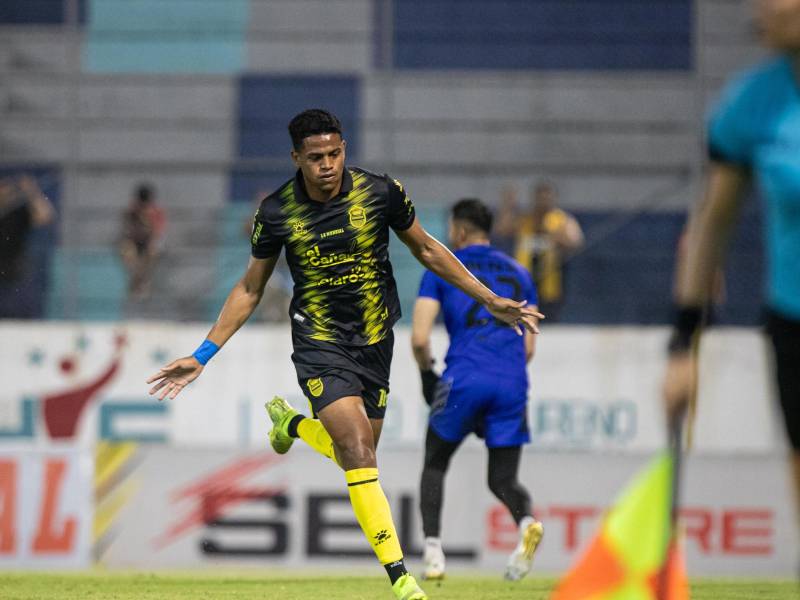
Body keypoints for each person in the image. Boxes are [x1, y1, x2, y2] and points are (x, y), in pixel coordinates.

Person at [146, 109, 541, 600]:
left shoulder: (380, 192)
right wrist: (204, 353)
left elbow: (427, 250)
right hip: (318, 343)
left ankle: (290, 425)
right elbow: (251, 287)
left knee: (355, 453)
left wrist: (488, 298)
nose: (327, 165)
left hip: (376, 341)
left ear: (344, 149)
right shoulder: (276, 212)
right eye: (316, 158)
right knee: (357, 449)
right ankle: (401, 579)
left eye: (335, 153)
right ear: (296, 158)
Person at [663, 0, 800, 570]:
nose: (759, 8)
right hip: (793, 323)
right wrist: (683, 345)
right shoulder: (752, 103)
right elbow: (712, 226)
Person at [411, 198, 543, 582]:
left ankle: (434, 554)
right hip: (513, 382)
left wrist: (426, 376)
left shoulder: (440, 267)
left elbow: (420, 339)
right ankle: (527, 523)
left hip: (465, 379)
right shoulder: (520, 273)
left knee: (435, 463)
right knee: (502, 479)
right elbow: (530, 345)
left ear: (460, 231)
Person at [514, 180, 583, 321]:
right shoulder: (524, 219)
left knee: (548, 318)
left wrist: (555, 235)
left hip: (551, 282)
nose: (543, 202)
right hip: (524, 280)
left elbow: (576, 242)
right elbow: (501, 230)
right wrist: (508, 205)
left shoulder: (562, 220)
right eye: (540, 198)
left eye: (547, 198)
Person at [0, 174, 54, 318]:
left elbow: (45, 216)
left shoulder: (17, 214)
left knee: (20, 317)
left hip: (14, 276)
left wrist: (32, 191)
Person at [118, 182, 166, 299]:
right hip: (134, 243)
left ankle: (140, 284)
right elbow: (126, 230)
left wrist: (148, 229)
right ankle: (138, 283)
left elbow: (158, 232)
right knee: (127, 250)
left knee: (152, 251)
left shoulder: (156, 212)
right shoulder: (131, 212)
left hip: (149, 244)